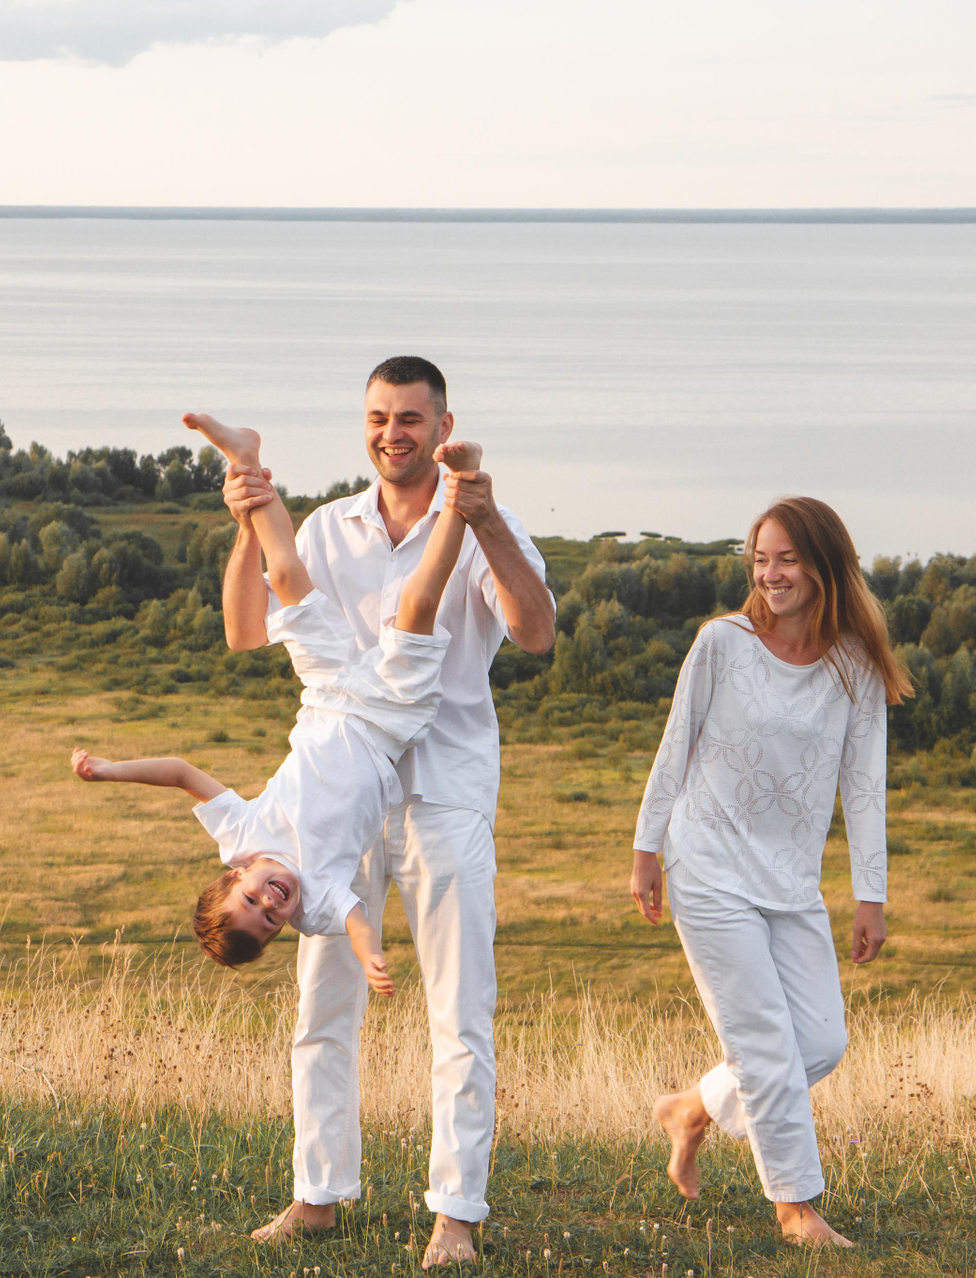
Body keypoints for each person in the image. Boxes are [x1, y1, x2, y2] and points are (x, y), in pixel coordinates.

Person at [220, 357, 555, 1269]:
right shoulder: (329, 527)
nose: (391, 433)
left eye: (409, 418)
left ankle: (457, 1214)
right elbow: (245, 629)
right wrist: (247, 519)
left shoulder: (483, 521)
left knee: (460, 1012)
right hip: (336, 812)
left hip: (444, 790)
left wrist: (484, 520)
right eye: (378, 417)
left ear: (443, 425)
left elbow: (535, 633)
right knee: (322, 1010)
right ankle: (317, 1196)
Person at [71, 416, 482, 1003]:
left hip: (328, 692)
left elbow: (182, 774)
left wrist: (111, 770)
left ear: (235, 874)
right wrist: (370, 956)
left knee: (287, 574)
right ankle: (461, 486)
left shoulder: (241, 835)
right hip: (389, 717)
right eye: (268, 921)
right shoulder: (315, 900)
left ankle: (244, 457)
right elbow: (357, 919)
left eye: (251, 898)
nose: (270, 902)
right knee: (419, 600)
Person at [629, 496, 913, 1249]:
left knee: (818, 1041)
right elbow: (675, 744)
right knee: (762, 1041)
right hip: (707, 862)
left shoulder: (855, 665)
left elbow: (865, 785)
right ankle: (797, 1209)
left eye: (787, 558)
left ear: (824, 566)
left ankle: (692, 1108)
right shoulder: (721, 643)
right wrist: (647, 848)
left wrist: (871, 895)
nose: (771, 573)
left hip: (790, 880)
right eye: (761, 559)